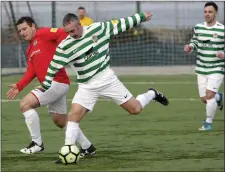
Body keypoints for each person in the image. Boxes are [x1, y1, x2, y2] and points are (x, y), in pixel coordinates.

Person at [40, 11, 169, 163]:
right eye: (68, 32)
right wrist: (47, 83)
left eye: (73, 30)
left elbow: (120, 24)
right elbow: (53, 66)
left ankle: (151, 94)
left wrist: (140, 17)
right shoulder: (65, 46)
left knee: (135, 109)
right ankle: (68, 149)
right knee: (74, 115)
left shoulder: (98, 29)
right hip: (86, 86)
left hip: (107, 79)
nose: (71, 34)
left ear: (80, 25)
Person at [6, 16, 95, 156]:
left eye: (25, 29)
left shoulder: (44, 33)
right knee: (60, 121)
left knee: (25, 104)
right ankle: (87, 147)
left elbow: (61, 33)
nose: (22, 33)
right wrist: (19, 85)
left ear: (33, 26)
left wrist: (64, 50)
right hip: (54, 85)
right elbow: (32, 71)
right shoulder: (30, 49)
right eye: (20, 31)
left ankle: (37, 143)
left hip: (56, 82)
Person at [184, 1, 224, 131]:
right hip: (201, 67)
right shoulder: (198, 27)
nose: (207, 14)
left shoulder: (222, 30)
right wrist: (190, 47)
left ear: (216, 13)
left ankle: (208, 123)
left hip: (217, 68)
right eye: (205, 12)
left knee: (209, 94)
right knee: (204, 99)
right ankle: (219, 97)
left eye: (210, 12)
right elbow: (195, 42)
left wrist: (223, 53)